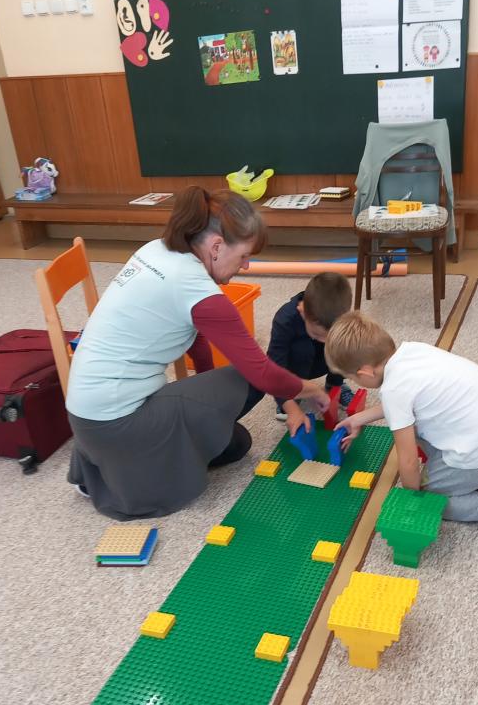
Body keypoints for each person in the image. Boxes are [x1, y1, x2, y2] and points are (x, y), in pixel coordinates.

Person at [65, 187, 330, 519]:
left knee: (236, 444)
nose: (246, 266)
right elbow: (262, 373)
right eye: (244, 256)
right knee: (247, 380)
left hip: (86, 419)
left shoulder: (155, 250)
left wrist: (205, 399)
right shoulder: (199, 292)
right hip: (118, 425)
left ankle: (132, 461)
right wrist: (312, 390)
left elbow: (193, 332)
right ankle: (136, 472)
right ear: (216, 247)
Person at [325, 313, 478, 536]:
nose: (355, 383)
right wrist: (358, 418)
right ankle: (477, 481)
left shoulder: (393, 390)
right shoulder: (413, 351)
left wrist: (414, 499)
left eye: (352, 378)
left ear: (365, 373)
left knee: (431, 497)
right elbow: (403, 405)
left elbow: (408, 461)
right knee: (415, 424)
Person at [266, 272, 354, 422]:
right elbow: (274, 366)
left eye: (327, 336)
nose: (325, 341)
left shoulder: (340, 319)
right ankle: (293, 391)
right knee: (302, 349)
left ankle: (335, 385)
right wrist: (285, 400)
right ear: (303, 311)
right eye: (318, 334)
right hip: (296, 368)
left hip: (321, 363)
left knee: (346, 339)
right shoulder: (285, 319)